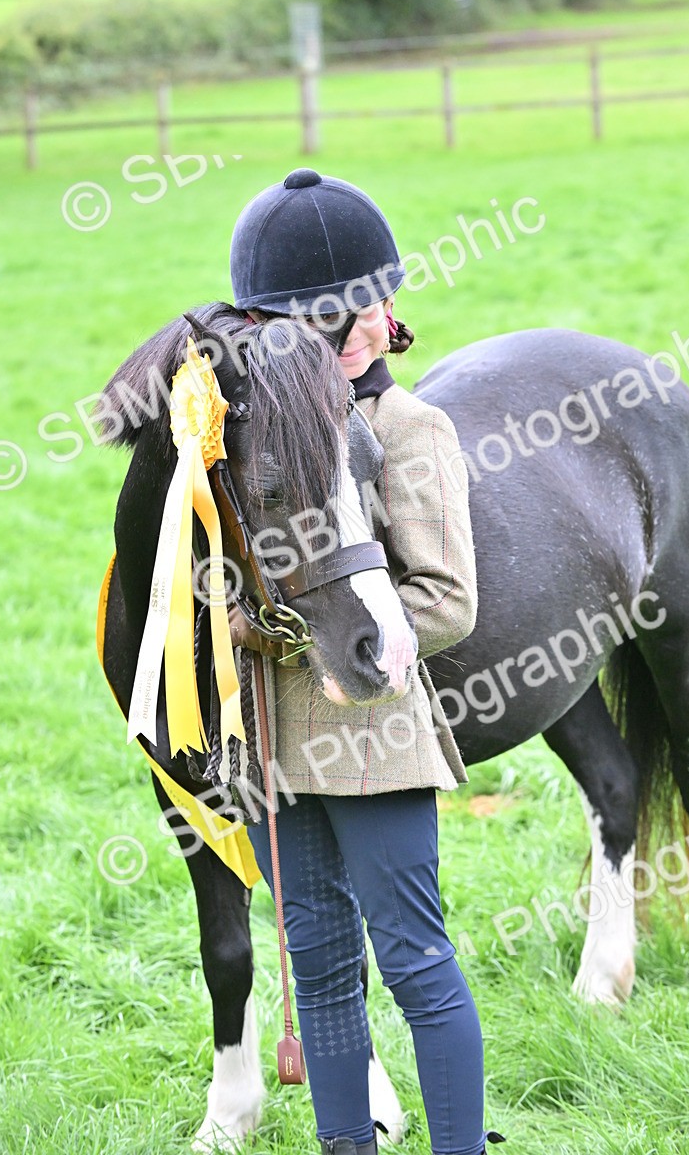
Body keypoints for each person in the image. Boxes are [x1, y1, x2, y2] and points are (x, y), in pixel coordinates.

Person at [225, 168, 505, 1155]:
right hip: (280, 751)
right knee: (321, 964)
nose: (341, 331)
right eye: (308, 322)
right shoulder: (252, 432)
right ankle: (346, 1144)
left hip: (376, 740)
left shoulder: (408, 428)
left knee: (414, 961)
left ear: (385, 312)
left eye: (354, 312)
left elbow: (444, 602)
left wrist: (284, 633)